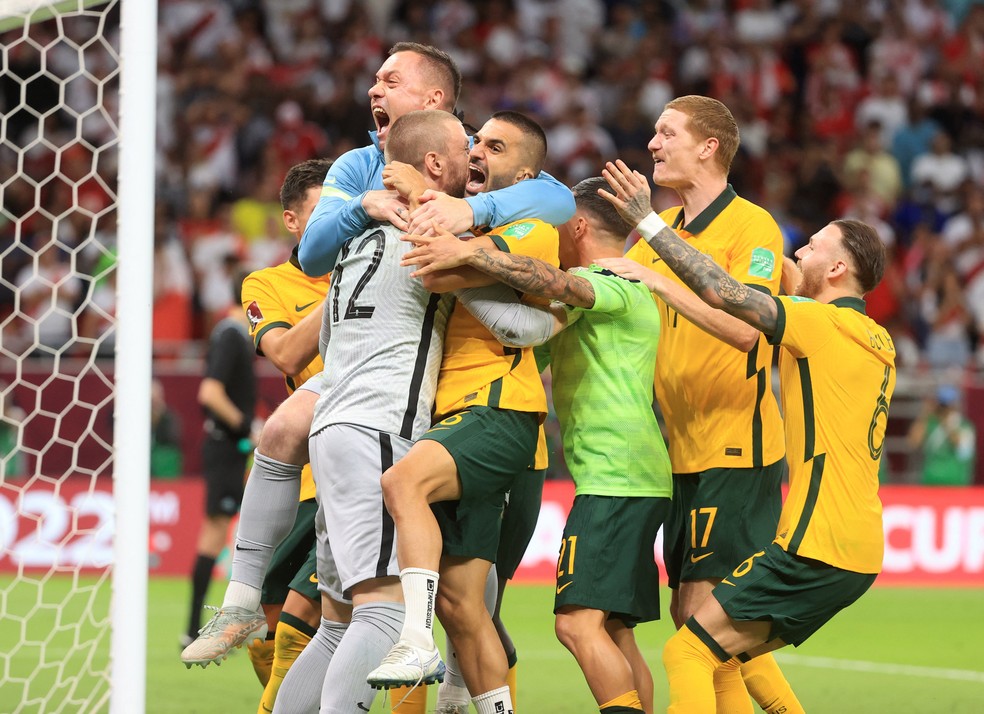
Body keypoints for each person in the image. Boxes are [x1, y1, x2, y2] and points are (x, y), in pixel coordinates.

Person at [181, 42, 571, 695]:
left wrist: (470, 208)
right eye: (375, 78)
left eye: (391, 78)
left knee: (413, 609)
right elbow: (311, 251)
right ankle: (247, 600)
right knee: (393, 607)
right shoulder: (366, 167)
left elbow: (553, 197)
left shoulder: (475, 158)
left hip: (409, 402)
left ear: (436, 101)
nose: (374, 88)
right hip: (389, 410)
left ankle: (442, 678)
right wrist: (384, 207)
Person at [598, 163, 895, 713]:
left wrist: (655, 246)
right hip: (858, 547)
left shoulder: (817, 324)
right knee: (725, 651)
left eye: (809, 247)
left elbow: (727, 294)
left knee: (686, 652)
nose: (795, 255)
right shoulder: (873, 336)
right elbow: (769, 268)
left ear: (835, 268)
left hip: (815, 542)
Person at [396, 176, 674, 714]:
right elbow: (525, 335)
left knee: (575, 625)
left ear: (579, 226)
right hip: (632, 476)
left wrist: (465, 257)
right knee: (615, 631)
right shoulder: (612, 297)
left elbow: (552, 290)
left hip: (615, 479)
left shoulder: (614, 282)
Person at [272, 109, 469, 714]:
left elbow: (326, 342)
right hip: (379, 429)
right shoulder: (427, 236)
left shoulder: (353, 238)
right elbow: (515, 319)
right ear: (434, 164)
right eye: (465, 147)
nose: (475, 161)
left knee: (337, 624)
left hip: (330, 425)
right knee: (386, 610)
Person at [367, 112, 560, 714]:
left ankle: (414, 639)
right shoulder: (458, 205)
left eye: (494, 147)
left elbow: (451, 263)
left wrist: (415, 196)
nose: (477, 151)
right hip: (450, 419)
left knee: (401, 482)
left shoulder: (534, 227)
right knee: (464, 604)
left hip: (499, 408)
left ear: (525, 173)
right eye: (475, 141)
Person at [617, 95, 800, 712]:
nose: (653, 144)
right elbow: (609, 280)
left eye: (667, 132)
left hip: (737, 448)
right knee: (693, 621)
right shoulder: (664, 235)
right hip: (682, 453)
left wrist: (663, 277)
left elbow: (749, 329)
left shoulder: (753, 227)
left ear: (709, 147)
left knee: (703, 624)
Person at [183, 284, 256, 649]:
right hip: (227, 448)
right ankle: (195, 627)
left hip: (228, 449)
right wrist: (248, 427)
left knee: (232, 534)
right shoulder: (231, 335)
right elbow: (209, 393)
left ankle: (201, 625)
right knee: (216, 534)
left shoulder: (227, 335)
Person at [907, 384, 977, 486]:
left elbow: (963, 449)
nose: (944, 409)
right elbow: (913, 442)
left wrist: (946, 422)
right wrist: (924, 415)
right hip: (930, 480)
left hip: (955, 482)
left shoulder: (964, 426)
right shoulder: (930, 423)